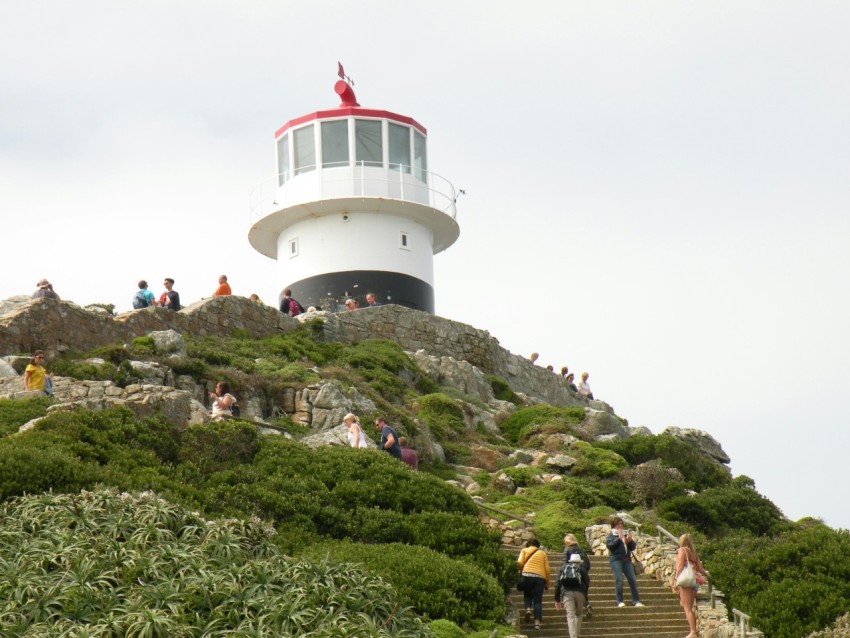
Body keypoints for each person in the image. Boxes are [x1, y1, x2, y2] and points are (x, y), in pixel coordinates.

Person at [555, 533, 591, 637]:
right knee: (579, 614)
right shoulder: (582, 552)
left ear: (566, 542)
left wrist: (557, 598)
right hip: (580, 589)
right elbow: (588, 567)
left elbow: (559, 578)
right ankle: (575, 635)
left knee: (570, 615)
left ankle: (573, 636)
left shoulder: (566, 553)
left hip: (566, 589)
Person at [673, 533, 709, 638]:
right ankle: (693, 629)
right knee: (690, 606)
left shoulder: (682, 551)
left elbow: (679, 566)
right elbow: (700, 569)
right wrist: (706, 574)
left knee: (687, 607)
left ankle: (693, 631)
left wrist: (675, 580)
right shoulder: (694, 553)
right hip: (695, 581)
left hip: (686, 581)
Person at [606, 517, 643, 608]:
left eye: (621, 524)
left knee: (632, 579)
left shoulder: (625, 534)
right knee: (619, 579)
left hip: (627, 559)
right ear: (614, 525)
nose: (620, 526)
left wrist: (629, 542)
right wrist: (619, 539)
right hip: (616, 560)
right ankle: (620, 601)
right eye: (618, 524)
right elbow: (610, 546)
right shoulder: (611, 535)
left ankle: (636, 600)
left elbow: (633, 547)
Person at [517, 538, 550, 631]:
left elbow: (519, 563)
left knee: (527, 594)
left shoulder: (524, 550)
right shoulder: (542, 553)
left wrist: (518, 572)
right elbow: (547, 569)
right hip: (540, 577)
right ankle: (537, 624)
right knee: (537, 601)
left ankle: (527, 609)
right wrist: (547, 583)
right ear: (538, 545)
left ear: (528, 544)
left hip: (527, 574)